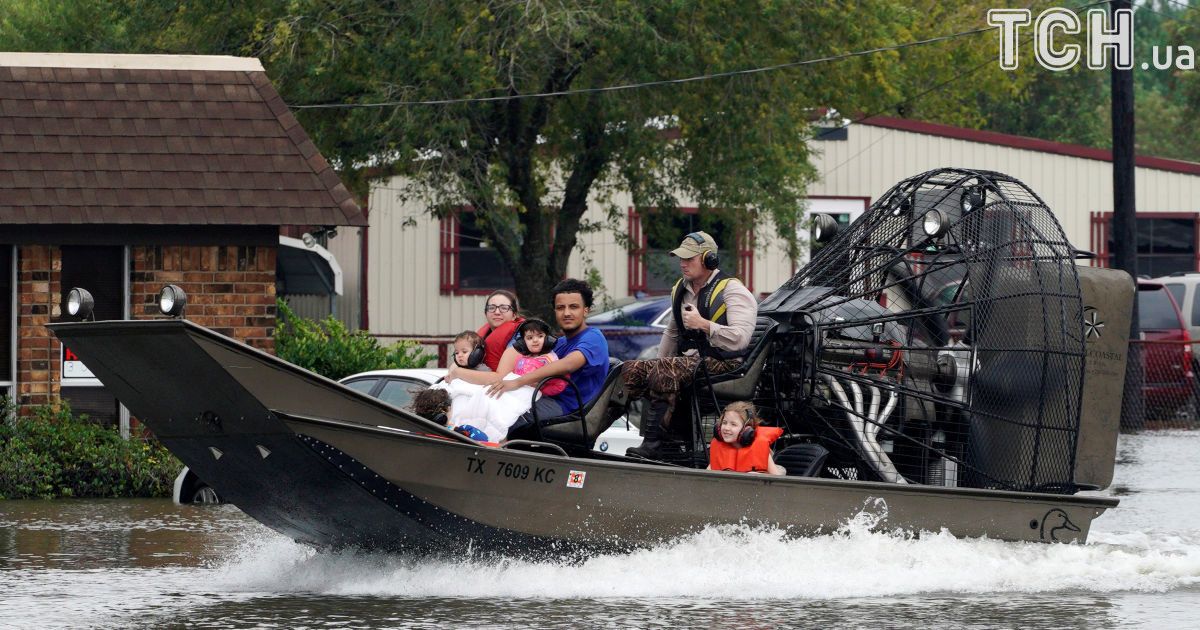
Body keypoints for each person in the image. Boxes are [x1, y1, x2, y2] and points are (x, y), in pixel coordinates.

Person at [625, 231, 758, 459]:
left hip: (726, 365)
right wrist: (657, 365)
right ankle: (589, 436)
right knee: (630, 370)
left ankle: (653, 445)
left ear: (709, 259)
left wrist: (704, 325)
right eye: (681, 258)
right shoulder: (680, 288)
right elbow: (672, 332)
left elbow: (740, 338)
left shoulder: (732, 290)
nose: (682, 264)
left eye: (689, 259)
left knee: (667, 369)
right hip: (691, 363)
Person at [485, 278, 609, 434]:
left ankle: (491, 451)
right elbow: (526, 357)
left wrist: (518, 382)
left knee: (508, 417)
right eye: (560, 307)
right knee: (490, 403)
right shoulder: (559, 343)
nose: (567, 313)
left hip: (568, 408)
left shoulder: (594, 337)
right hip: (543, 397)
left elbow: (568, 364)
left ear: (586, 310)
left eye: (574, 307)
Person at [438, 319, 567, 442]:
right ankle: (464, 427)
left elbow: (559, 382)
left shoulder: (549, 359)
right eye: (529, 338)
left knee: (500, 409)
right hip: (512, 386)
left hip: (529, 391)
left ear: (548, 338)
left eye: (540, 336)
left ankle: (492, 437)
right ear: (523, 342)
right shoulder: (523, 357)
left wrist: (539, 385)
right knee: (486, 397)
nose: (535, 341)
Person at [706, 401, 786, 475]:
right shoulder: (718, 449)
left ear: (746, 429)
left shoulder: (759, 448)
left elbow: (778, 480)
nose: (726, 428)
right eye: (724, 423)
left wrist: (759, 476)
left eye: (733, 424)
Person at [476, 290, 525, 372]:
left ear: (514, 315)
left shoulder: (522, 337)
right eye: (492, 308)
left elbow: (501, 377)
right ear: (485, 313)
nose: (497, 312)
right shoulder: (481, 335)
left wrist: (458, 372)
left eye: (504, 308)